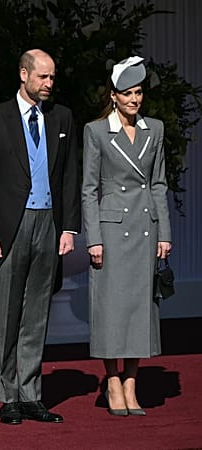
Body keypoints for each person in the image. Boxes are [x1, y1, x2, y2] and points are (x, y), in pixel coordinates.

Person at [0, 49, 80, 425]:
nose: (49, 84)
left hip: (48, 223)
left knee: (37, 312)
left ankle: (31, 394)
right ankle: (7, 395)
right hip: (8, 227)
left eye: (52, 78)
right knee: (7, 314)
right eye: (43, 77)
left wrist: (68, 227)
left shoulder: (62, 117)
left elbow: (68, 176)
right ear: (23, 74)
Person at [82, 56, 172, 417]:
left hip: (146, 230)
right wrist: (93, 239)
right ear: (114, 96)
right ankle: (112, 382)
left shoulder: (156, 130)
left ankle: (132, 383)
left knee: (139, 310)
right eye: (128, 93)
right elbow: (89, 189)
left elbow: (160, 184)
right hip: (112, 232)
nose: (135, 99)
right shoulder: (97, 131)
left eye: (139, 92)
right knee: (110, 309)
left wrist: (165, 233)